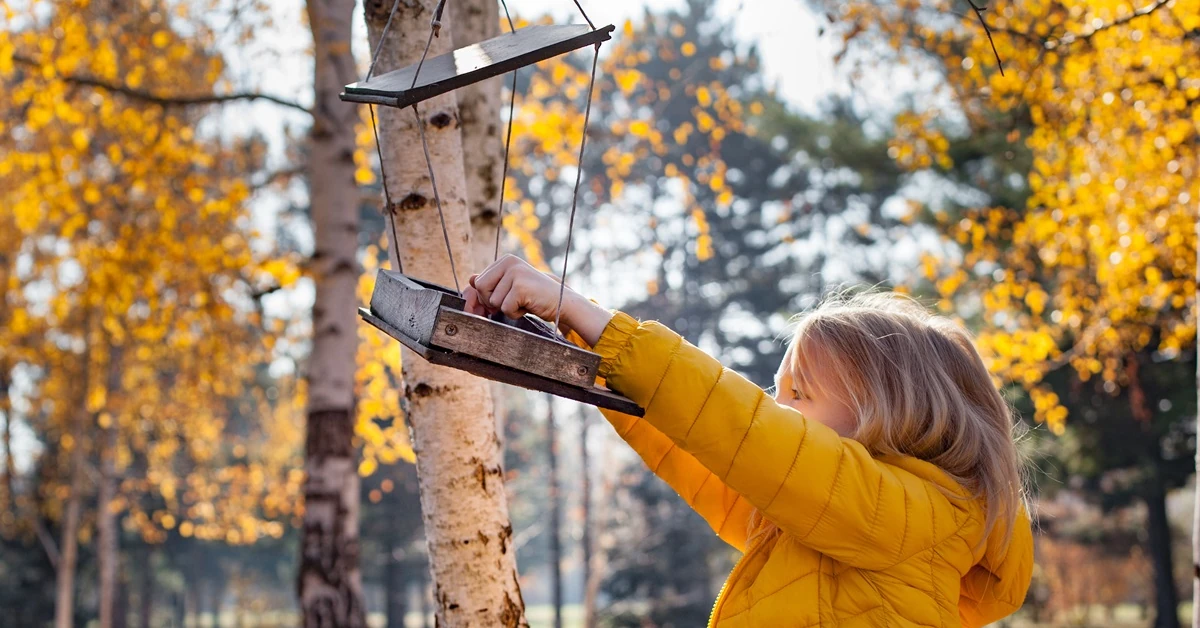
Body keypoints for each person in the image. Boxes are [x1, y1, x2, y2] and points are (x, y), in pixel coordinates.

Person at [464, 255, 1034, 627]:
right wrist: (582, 352)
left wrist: (587, 314)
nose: (777, 408)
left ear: (885, 413)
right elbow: (702, 447)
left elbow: (743, 429)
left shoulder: (905, 516)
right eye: (777, 391)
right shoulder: (814, 517)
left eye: (799, 394)